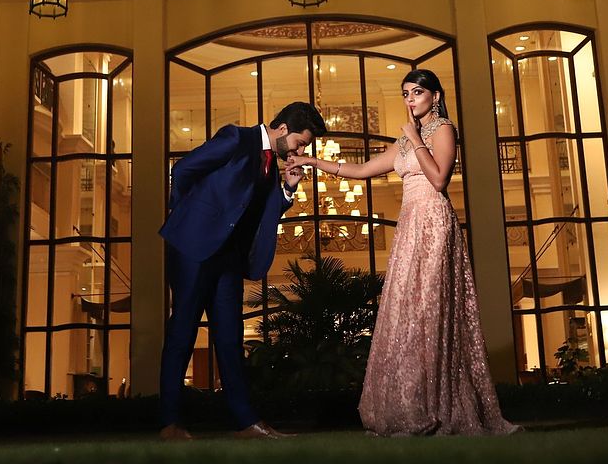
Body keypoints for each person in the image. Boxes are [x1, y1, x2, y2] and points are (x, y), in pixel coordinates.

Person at [289, 70, 518, 436]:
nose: (410, 99)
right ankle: (408, 406)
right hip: (410, 225)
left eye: (417, 92)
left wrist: (414, 138)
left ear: (435, 96)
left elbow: (439, 179)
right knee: (407, 313)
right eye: (406, 93)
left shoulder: (443, 130)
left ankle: (440, 407)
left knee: (430, 309)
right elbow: (363, 169)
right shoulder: (405, 140)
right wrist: (314, 163)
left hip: (434, 223)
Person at [158, 101, 327, 441]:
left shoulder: (272, 163)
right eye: (300, 143)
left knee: (230, 338)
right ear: (282, 129)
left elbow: (262, 210)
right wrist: (190, 218)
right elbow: (185, 169)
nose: (300, 151)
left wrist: (288, 188)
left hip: (229, 259)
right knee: (182, 333)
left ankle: (246, 422)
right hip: (194, 248)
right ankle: (170, 423)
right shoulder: (236, 138)